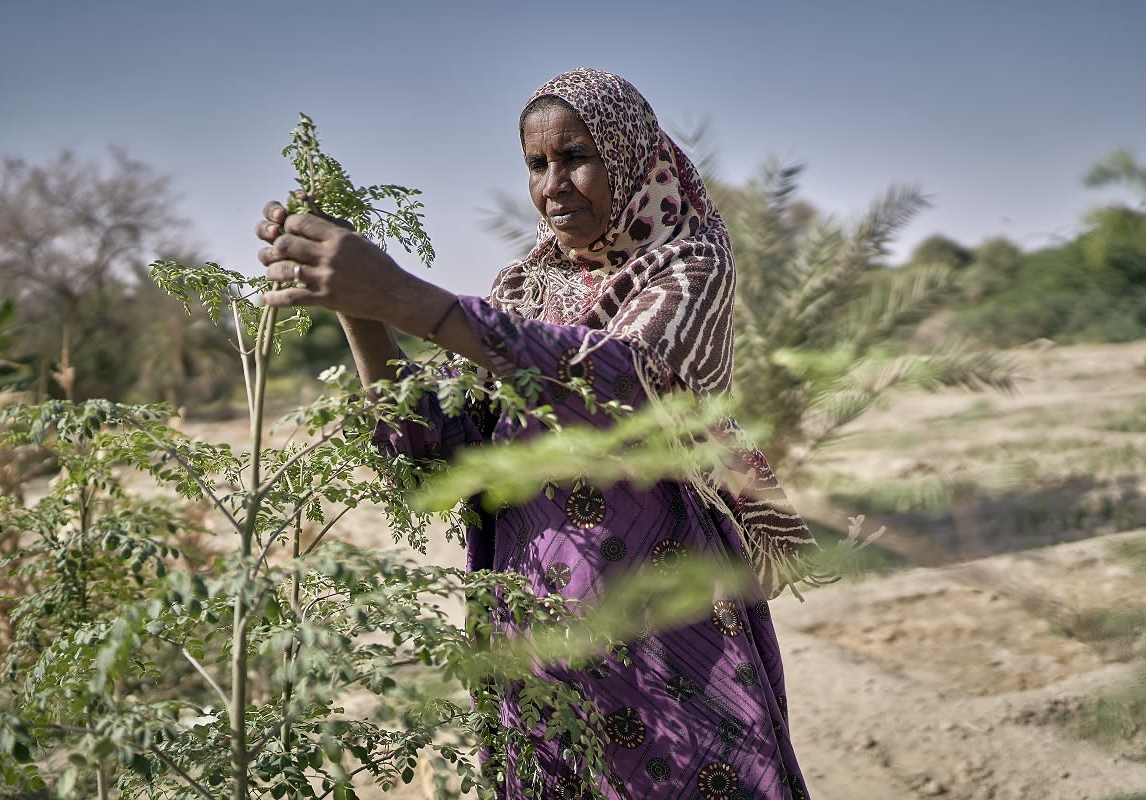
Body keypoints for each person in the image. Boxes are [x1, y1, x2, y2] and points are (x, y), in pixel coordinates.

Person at [257, 67, 816, 800]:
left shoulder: (687, 263)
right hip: (534, 620)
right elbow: (435, 458)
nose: (554, 184)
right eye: (536, 164)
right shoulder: (519, 293)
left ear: (629, 156)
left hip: (667, 623)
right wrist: (358, 308)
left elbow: (621, 383)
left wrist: (402, 295)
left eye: (575, 156)